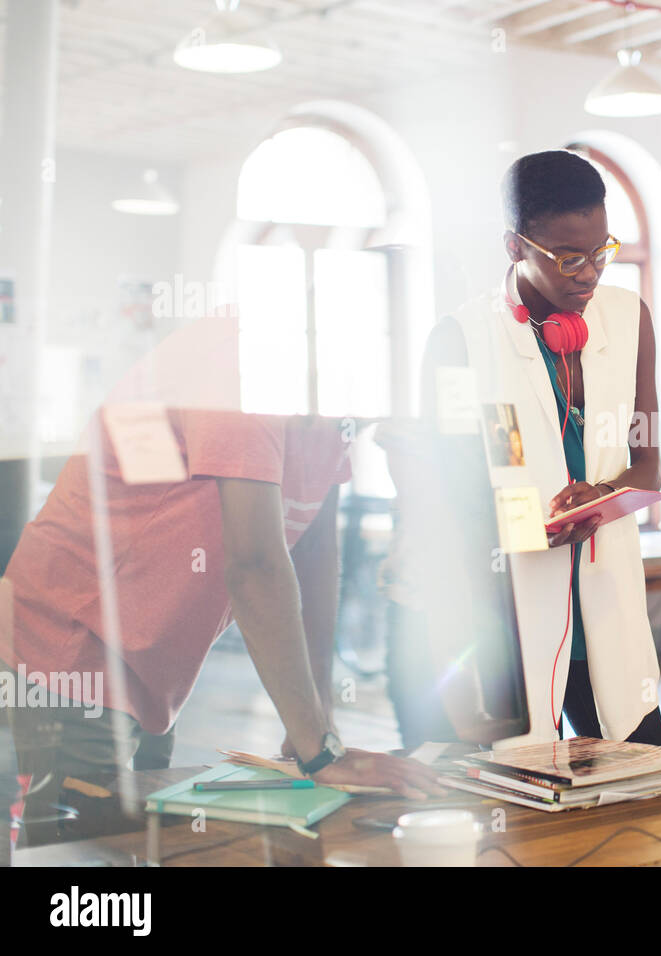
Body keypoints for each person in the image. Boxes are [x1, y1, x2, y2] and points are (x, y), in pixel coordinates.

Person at [0, 320, 441, 845]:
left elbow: (313, 551)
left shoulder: (331, 396)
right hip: (70, 642)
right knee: (83, 859)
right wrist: (318, 752)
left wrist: (319, 726)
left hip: (153, 662)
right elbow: (255, 565)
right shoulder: (242, 362)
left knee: (141, 844)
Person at [389, 149, 661, 747]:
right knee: (524, 804)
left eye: (601, 251)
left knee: (644, 790)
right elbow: (452, 491)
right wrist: (525, 527)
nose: (589, 273)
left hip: (610, 611)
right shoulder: (458, 341)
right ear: (515, 246)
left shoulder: (629, 317)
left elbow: (647, 459)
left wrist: (603, 495)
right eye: (568, 258)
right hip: (507, 614)